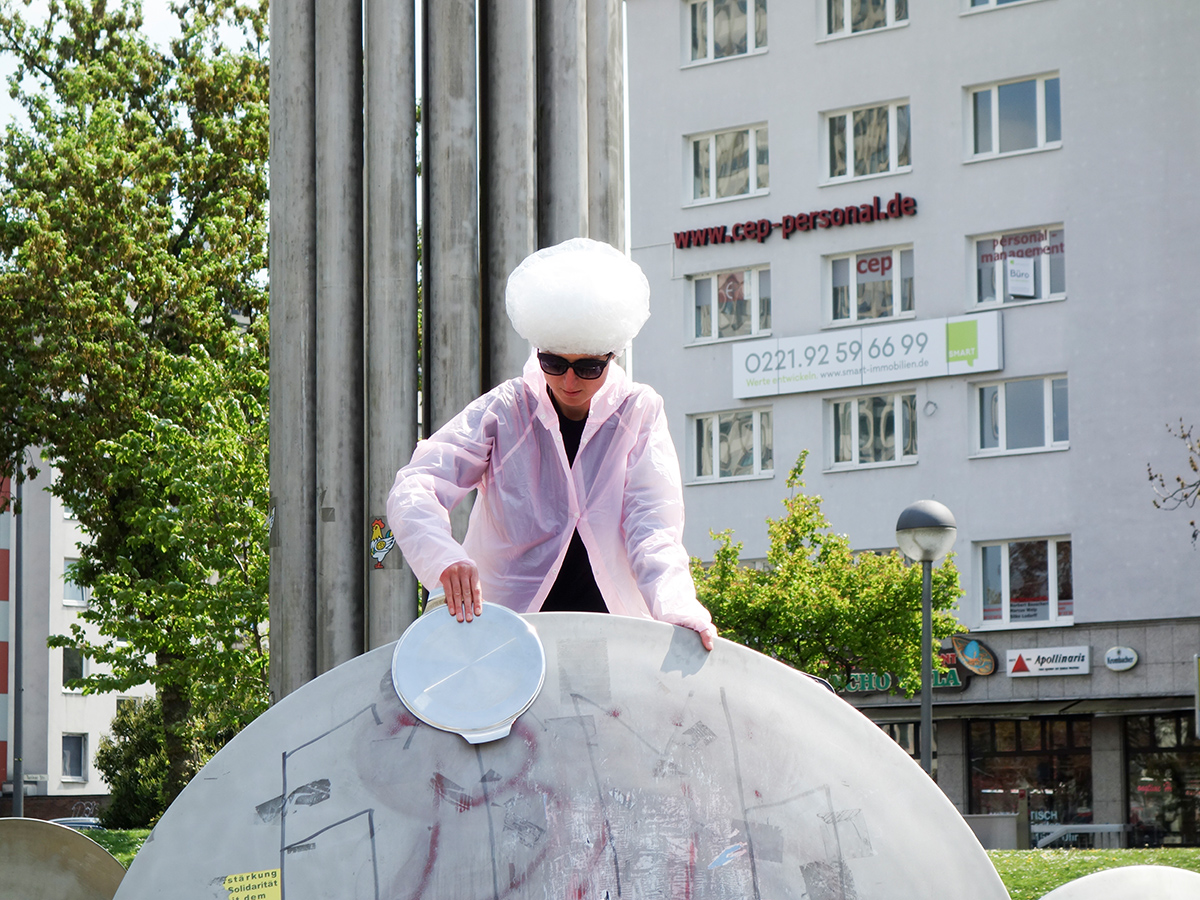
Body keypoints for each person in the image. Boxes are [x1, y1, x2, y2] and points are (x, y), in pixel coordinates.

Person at [387, 238, 716, 650]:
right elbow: (416, 485)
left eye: (589, 366)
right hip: (505, 628)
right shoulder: (507, 408)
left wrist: (676, 606)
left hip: (609, 629)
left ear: (612, 356)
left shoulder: (638, 410)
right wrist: (443, 558)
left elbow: (652, 526)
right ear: (538, 349)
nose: (569, 381)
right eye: (554, 363)